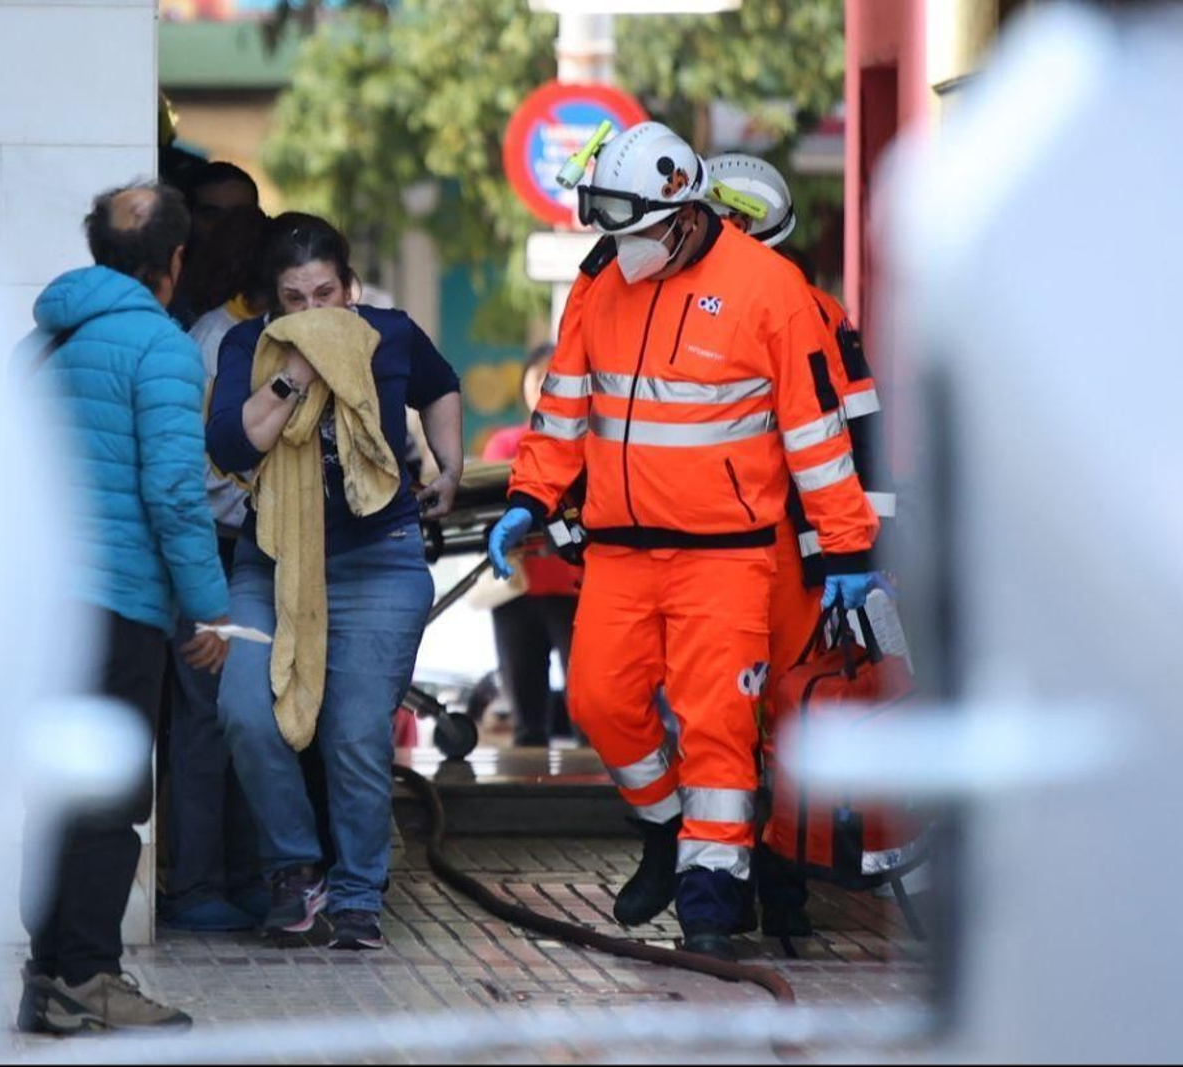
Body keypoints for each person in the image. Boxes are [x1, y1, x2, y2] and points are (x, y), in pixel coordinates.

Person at [487, 122, 881, 961]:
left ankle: (710, 901)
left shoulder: (768, 288)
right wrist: (529, 498)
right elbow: (562, 410)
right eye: (611, 234)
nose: (620, 249)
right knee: (597, 700)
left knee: (719, 728)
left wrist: (847, 547)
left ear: (683, 212)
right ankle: (667, 826)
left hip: (727, 555)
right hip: (622, 552)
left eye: (633, 233)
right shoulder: (601, 284)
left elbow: (816, 434)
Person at [207, 212, 463, 951]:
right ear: (272, 300)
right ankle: (294, 869)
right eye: (296, 298)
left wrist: (448, 466)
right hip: (274, 558)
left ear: (349, 286)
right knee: (247, 710)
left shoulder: (392, 332)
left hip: (377, 557)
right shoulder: (248, 347)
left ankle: (357, 891)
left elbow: (440, 388)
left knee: (354, 732)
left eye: (327, 293)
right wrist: (299, 369)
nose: (314, 310)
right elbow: (231, 442)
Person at [16, 181, 231, 1033]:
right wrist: (210, 610)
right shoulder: (163, 350)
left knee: (55, 793)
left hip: (40, 610)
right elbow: (176, 495)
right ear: (174, 263)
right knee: (106, 799)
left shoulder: (39, 342)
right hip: (115, 605)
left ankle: (47, 977)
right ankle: (91, 977)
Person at [705, 152, 898, 936]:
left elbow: (857, 436)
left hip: (787, 551)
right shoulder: (697, 303)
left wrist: (856, 557)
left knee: (774, 717)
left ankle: (773, 886)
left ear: (747, 225)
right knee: (730, 718)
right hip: (726, 547)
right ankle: (737, 880)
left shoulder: (805, 310)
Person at [160, 203, 270, 932]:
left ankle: (242, 877)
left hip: (243, 549)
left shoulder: (243, 336)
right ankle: (199, 882)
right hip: (217, 549)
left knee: (243, 718)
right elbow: (197, 474)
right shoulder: (215, 343)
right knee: (210, 724)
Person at [481, 343, 580, 747]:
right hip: (515, 590)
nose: (544, 385)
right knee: (527, 717)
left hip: (577, 589)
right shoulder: (505, 445)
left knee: (594, 710)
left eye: (554, 377)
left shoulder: (586, 446)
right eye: (537, 376)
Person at [171, 162, 261, 328]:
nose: (226, 226)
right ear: (188, 218)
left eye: (239, 216)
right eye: (212, 215)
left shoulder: (274, 292)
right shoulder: (165, 292)